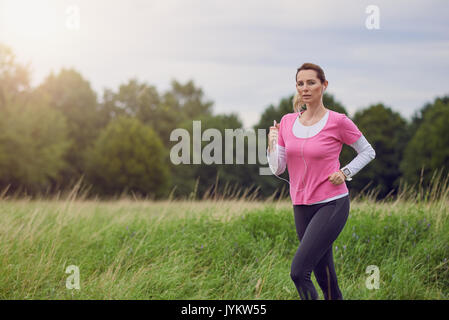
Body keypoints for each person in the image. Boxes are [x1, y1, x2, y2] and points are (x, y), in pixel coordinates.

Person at [267, 62, 376, 300]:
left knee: (298, 272)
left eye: (311, 82)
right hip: (301, 206)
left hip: (332, 203)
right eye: (300, 83)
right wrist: (272, 143)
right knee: (326, 280)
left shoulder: (338, 121)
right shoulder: (286, 122)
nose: (305, 88)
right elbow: (278, 168)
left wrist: (345, 172)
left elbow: (368, 151)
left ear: (323, 85)